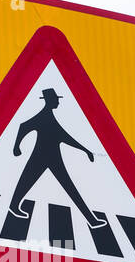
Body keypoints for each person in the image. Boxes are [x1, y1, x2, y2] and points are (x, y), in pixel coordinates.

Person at [6, 88, 108, 228]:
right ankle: (91, 220)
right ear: (50, 100)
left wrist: (86, 151)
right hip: (40, 157)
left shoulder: (50, 117)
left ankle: (91, 220)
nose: (58, 102)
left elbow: (65, 137)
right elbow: (23, 126)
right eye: (56, 99)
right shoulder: (44, 116)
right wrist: (16, 147)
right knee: (29, 182)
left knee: (63, 186)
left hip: (52, 158)